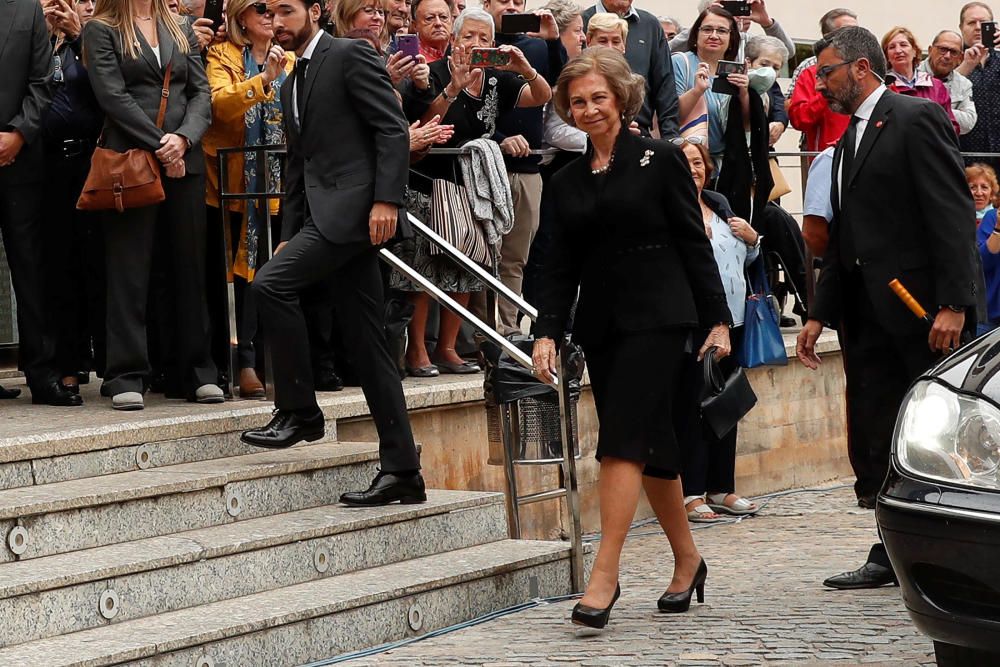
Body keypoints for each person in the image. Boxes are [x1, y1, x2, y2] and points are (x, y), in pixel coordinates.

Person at [532, 47, 733, 629]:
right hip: (601, 323)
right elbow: (554, 264)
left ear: (620, 98)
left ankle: (605, 574)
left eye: (599, 97)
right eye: (577, 101)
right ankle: (688, 559)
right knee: (656, 446)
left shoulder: (661, 158)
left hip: (661, 315)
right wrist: (547, 330)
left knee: (620, 436)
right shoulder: (565, 180)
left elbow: (694, 243)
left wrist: (716, 318)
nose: (589, 109)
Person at [796, 27, 980, 590]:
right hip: (866, 316)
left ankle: (957, 551)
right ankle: (892, 545)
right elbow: (848, 234)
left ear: (860, 69)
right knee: (880, 431)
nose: (818, 82)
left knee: (934, 433)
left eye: (825, 71)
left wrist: (953, 303)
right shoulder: (848, 138)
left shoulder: (913, 117)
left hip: (921, 314)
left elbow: (950, 213)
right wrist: (818, 313)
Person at [240, 0, 426, 508]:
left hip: (354, 215)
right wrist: (288, 230)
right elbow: (299, 162)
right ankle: (403, 470)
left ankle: (300, 411)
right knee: (368, 348)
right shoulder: (293, 78)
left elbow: (391, 128)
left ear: (316, 11)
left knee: (270, 285)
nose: (276, 23)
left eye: (285, 10)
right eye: (269, 14)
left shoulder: (349, 54)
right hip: (324, 218)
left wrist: (387, 200)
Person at [84, 0, 224, 411]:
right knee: (129, 268)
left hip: (185, 159)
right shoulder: (102, 28)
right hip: (130, 160)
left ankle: (198, 370)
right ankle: (126, 374)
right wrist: (162, 143)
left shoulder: (179, 25)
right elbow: (112, 96)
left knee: (189, 266)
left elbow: (201, 92)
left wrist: (184, 138)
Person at [395, 9, 549, 376]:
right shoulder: (432, 74)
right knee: (421, 271)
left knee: (467, 267)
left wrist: (525, 68)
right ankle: (418, 351)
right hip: (428, 185)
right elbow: (427, 120)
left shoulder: (497, 80)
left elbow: (541, 96)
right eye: (468, 37)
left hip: (471, 188)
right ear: (454, 41)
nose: (475, 45)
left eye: (484, 39)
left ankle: (449, 348)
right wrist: (453, 87)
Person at [202, 0, 295, 399]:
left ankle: (280, 362)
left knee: (274, 274)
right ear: (240, 15)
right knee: (237, 278)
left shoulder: (292, 58)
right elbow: (220, 106)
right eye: (261, 7)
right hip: (231, 188)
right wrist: (263, 79)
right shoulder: (220, 55)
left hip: (280, 188)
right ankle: (241, 362)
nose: (271, 15)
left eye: (278, 8)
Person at [0, 0, 84, 405]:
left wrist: (18, 133)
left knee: (31, 270)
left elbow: (41, 82)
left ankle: (41, 373)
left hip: (21, 161)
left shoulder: (26, 10)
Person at [676, 138, 760, 523]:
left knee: (728, 403)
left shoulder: (719, 203)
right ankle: (691, 491)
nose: (693, 169)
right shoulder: (671, 209)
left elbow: (745, 260)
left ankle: (721, 488)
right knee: (693, 407)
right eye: (685, 162)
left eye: (697, 162)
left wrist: (753, 240)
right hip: (696, 324)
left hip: (735, 319)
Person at [480, 0, 562, 336]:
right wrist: (499, 138)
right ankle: (479, 332)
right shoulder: (478, 45)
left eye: (518, 1)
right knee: (480, 254)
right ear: (486, 5)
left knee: (516, 256)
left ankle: (509, 328)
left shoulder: (536, 46)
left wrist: (554, 41)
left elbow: (560, 85)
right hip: (483, 163)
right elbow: (466, 112)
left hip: (528, 166)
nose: (512, 7)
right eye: (503, 1)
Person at [40, 0, 106, 396]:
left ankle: (109, 360)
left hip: (92, 159)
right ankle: (68, 361)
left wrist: (80, 34)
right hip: (46, 162)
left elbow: (108, 86)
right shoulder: (39, 41)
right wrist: (47, 38)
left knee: (97, 262)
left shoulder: (94, 37)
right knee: (57, 264)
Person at [672, 6, 772, 224]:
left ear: (731, 38)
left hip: (726, 166)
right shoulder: (681, 62)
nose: (714, 36)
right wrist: (697, 90)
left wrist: (745, 93)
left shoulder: (735, 68)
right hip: (688, 163)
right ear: (695, 35)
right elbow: (671, 116)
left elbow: (746, 124)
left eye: (722, 31)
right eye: (707, 29)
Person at [581, 0, 678, 138]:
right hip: (590, 136)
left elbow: (665, 86)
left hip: (639, 132)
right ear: (588, 40)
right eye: (602, 41)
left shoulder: (650, 25)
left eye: (615, 41)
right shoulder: (580, 22)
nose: (610, 47)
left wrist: (671, 136)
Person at [787, 7, 858, 154]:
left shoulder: (867, 70)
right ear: (828, 37)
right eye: (847, 31)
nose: (855, 37)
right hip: (827, 159)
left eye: (857, 31)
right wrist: (825, 93)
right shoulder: (811, 73)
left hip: (867, 159)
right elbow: (799, 120)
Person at [882, 27, 960, 135]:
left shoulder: (936, 86)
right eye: (892, 47)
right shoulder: (882, 88)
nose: (898, 50)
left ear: (915, 51)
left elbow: (951, 126)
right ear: (886, 56)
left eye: (903, 45)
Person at [669, 0, 795, 60]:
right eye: (727, 8)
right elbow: (666, 51)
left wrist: (767, 23)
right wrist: (707, 21)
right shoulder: (692, 39)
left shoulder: (747, 42)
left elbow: (787, 52)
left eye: (739, 7)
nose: (735, 15)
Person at [958, 2, 1000, 168]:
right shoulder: (950, 61)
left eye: (983, 23)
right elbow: (940, 95)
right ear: (961, 27)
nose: (977, 28)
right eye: (971, 23)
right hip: (964, 156)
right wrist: (965, 66)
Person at [920, 30, 977, 136]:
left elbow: (968, 122)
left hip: (945, 145)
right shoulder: (911, 74)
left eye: (953, 52)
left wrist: (933, 110)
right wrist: (949, 114)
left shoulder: (964, 84)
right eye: (942, 49)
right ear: (930, 50)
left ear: (960, 58)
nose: (947, 56)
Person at [974, 166, 1000, 334]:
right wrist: (998, 229)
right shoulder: (992, 217)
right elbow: (981, 264)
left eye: (984, 187)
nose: (978, 192)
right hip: (992, 316)